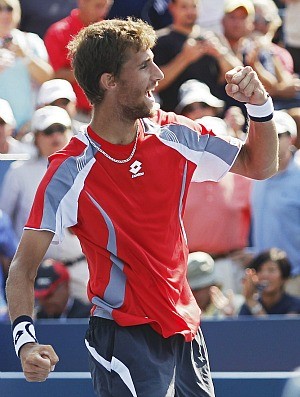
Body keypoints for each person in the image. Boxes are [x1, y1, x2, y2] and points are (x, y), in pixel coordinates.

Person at [6, 17, 278, 396]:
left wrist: (260, 107)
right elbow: (22, 268)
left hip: (186, 328)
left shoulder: (174, 132)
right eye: (144, 64)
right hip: (122, 335)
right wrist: (25, 340)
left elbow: (260, 166)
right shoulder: (69, 170)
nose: (158, 74)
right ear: (109, 81)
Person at [0, 105, 90, 304]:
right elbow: (4, 222)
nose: (55, 136)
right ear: (36, 137)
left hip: (81, 269)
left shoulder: (88, 166)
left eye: (61, 129)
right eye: (48, 131)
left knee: (89, 325)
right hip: (34, 272)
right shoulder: (19, 172)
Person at [183, 115, 253, 294]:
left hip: (229, 265)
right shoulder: (179, 175)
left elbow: (259, 216)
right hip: (187, 266)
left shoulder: (242, 177)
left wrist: (254, 251)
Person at [153, 0, 242, 112]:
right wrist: (184, 58)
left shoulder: (213, 37)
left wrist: (220, 54)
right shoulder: (159, 41)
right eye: (184, 7)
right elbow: (153, 85)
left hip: (213, 117)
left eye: (194, 6)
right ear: (172, 8)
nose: (190, 11)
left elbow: (239, 74)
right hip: (176, 117)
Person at [250, 110, 300, 297]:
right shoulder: (254, 175)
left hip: (295, 278)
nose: (272, 140)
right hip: (262, 281)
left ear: (292, 138)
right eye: (267, 134)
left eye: (278, 135)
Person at [44, 0, 114, 123]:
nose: (102, 11)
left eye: (106, 7)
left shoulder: (111, 33)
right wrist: (93, 70)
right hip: (73, 115)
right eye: (98, 6)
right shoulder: (58, 32)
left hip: (106, 113)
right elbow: (55, 75)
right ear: (82, 2)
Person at [0, 0, 53, 134]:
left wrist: (25, 56)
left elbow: (47, 77)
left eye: (9, 9)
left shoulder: (31, 40)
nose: (5, 14)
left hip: (29, 128)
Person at [239, 248, 300, 316]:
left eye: (271, 270)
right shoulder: (247, 307)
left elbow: (282, 326)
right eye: (259, 270)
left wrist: (253, 303)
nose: (265, 275)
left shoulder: (295, 305)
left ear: (284, 278)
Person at [187, 251, 244, 317]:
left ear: (211, 286)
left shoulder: (237, 305)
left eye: (197, 289)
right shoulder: (182, 311)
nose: (192, 294)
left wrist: (228, 319)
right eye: (189, 290)